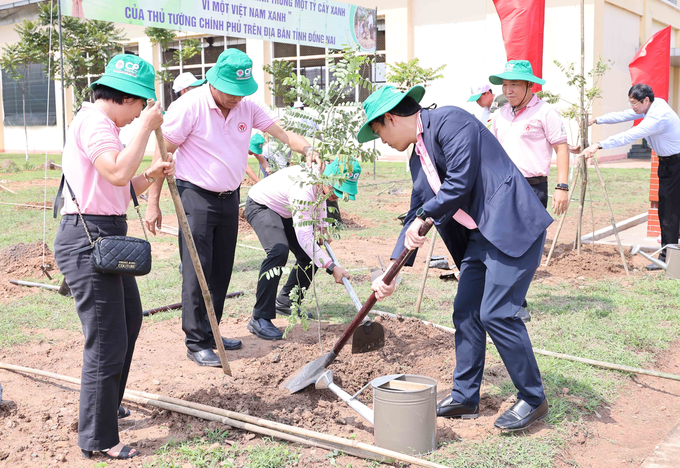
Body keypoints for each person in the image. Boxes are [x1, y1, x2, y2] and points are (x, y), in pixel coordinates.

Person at [359, 85, 553, 431]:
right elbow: (415, 211)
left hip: (512, 225)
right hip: (481, 236)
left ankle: (533, 398)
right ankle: (465, 396)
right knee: (465, 311)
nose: (382, 142)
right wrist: (392, 269)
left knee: (497, 313)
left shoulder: (451, 121)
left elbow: (459, 181)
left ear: (390, 119)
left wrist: (425, 216)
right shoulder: (418, 158)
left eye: (378, 134)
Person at [144, 49, 321, 368]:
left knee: (222, 269)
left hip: (230, 197)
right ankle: (196, 341)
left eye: (242, 93)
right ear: (214, 82)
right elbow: (163, 157)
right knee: (198, 268)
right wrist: (154, 203)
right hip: (194, 195)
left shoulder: (247, 106)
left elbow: (281, 134)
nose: (236, 99)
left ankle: (212, 331)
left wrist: (307, 148)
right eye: (231, 93)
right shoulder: (190, 106)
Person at [54, 54, 174, 460]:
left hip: (106, 233)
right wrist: (144, 129)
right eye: (140, 106)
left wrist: (153, 174)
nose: (140, 113)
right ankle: (98, 437)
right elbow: (117, 172)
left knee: (128, 321)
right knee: (106, 340)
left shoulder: (104, 125)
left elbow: (119, 190)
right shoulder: (95, 123)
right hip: (88, 239)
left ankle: (106, 405)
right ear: (128, 99)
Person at [243, 158, 360, 339]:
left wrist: (321, 228)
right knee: (278, 251)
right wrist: (331, 267)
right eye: (336, 191)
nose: (337, 196)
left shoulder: (319, 182)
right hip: (262, 205)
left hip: (285, 209)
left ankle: (287, 302)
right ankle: (260, 318)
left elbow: (320, 201)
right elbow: (304, 237)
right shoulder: (304, 187)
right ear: (327, 178)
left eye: (342, 193)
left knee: (314, 252)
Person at [580, 83, 680, 270]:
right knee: (669, 209)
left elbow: (630, 135)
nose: (632, 107)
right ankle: (672, 253)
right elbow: (623, 115)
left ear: (646, 100)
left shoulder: (658, 117)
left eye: (634, 103)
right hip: (668, 163)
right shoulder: (652, 106)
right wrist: (597, 120)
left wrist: (599, 145)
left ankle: (668, 259)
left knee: (669, 212)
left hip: (675, 165)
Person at [489, 60, 570, 216]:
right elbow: (492, 151)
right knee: (502, 238)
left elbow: (561, 148)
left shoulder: (545, 111)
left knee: (530, 238)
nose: (508, 90)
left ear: (529, 85)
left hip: (532, 188)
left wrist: (562, 187)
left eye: (514, 84)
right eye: (504, 85)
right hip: (502, 186)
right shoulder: (500, 114)